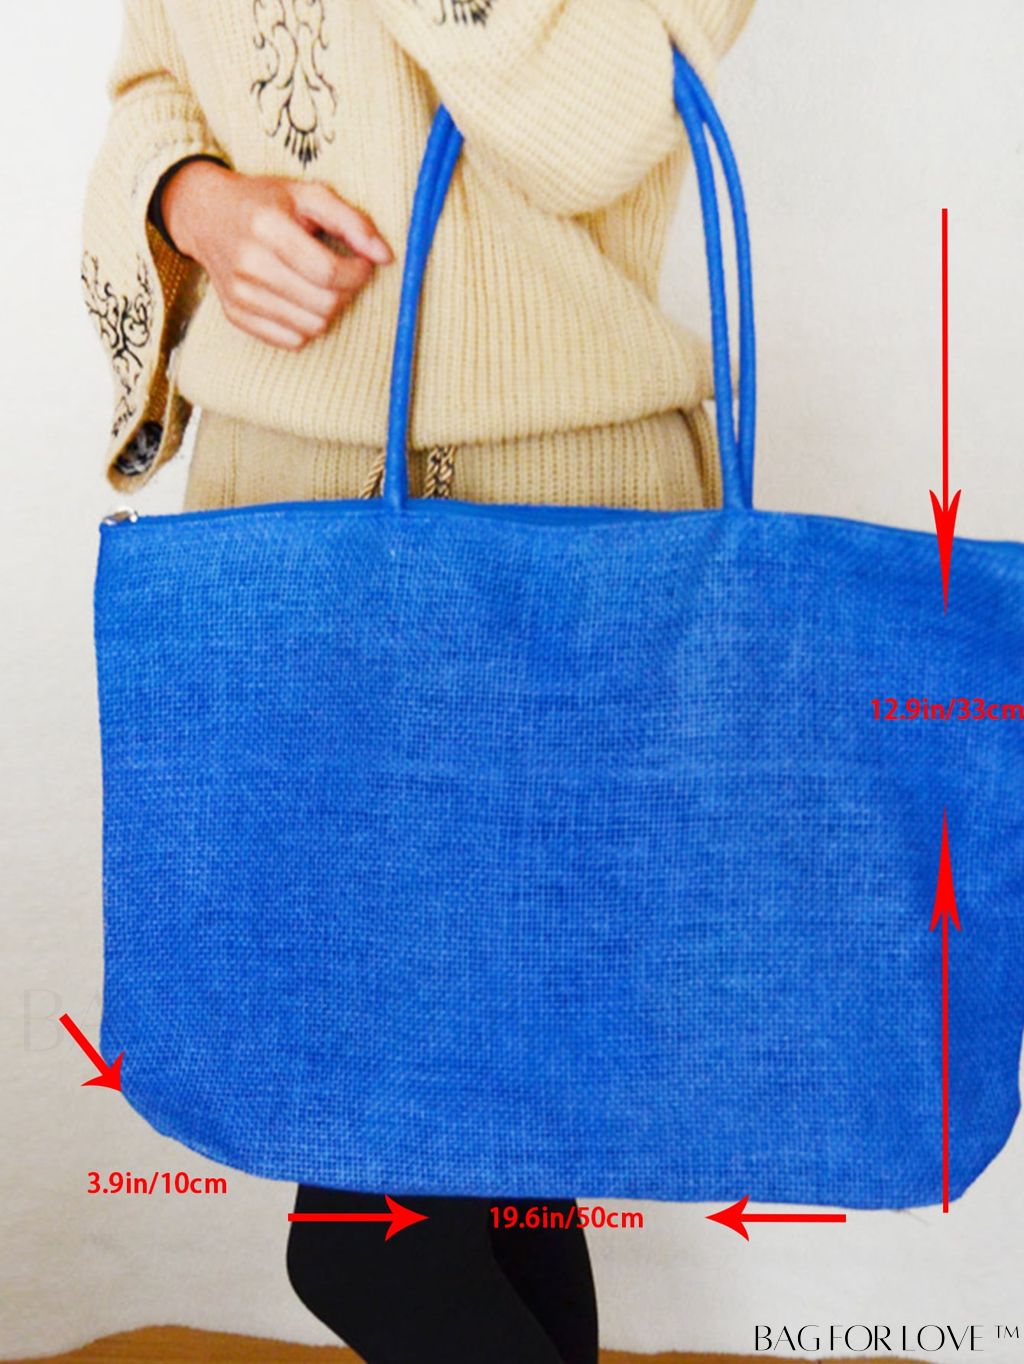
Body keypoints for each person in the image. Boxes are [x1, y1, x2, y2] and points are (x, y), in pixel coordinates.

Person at [82, 1, 753, 1359]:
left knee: (371, 1236)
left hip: (558, 534)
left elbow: (602, 122)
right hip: (279, 524)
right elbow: (153, 80)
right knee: (489, 1180)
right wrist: (199, 204)